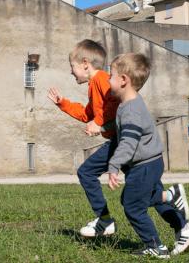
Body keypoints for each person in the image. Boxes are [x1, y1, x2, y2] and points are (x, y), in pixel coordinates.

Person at [106, 53, 189, 258]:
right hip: (150, 163)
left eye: (110, 75)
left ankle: (155, 246)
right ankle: (183, 225)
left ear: (123, 80)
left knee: (132, 206)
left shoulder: (130, 109)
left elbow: (129, 142)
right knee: (145, 199)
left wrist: (113, 165)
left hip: (144, 166)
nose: (107, 79)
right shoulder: (131, 103)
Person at [47, 39, 121, 238]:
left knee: (86, 172)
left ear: (85, 64)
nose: (71, 71)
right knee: (144, 189)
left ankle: (104, 220)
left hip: (123, 140)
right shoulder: (93, 85)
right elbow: (87, 114)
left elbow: (116, 109)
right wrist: (63, 104)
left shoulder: (102, 80)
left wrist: (100, 125)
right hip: (118, 141)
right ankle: (174, 206)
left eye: (72, 66)